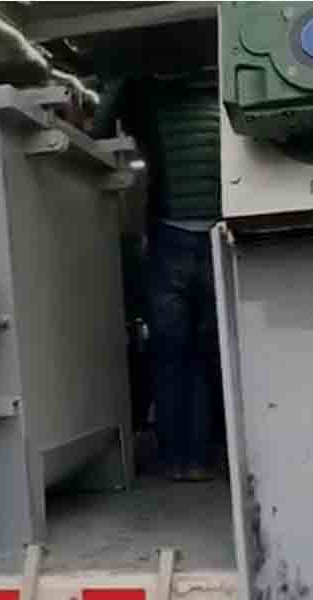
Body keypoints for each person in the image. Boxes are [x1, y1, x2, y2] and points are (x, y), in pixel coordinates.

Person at [95, 73, 223, 481]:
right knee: (205, 355)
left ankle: (173, 459)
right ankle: (201, 459)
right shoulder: (223, 93)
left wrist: (116, 77)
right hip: (217, 236)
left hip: (171, 237)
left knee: (169, 355)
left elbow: (98, 130)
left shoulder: (146, 98)